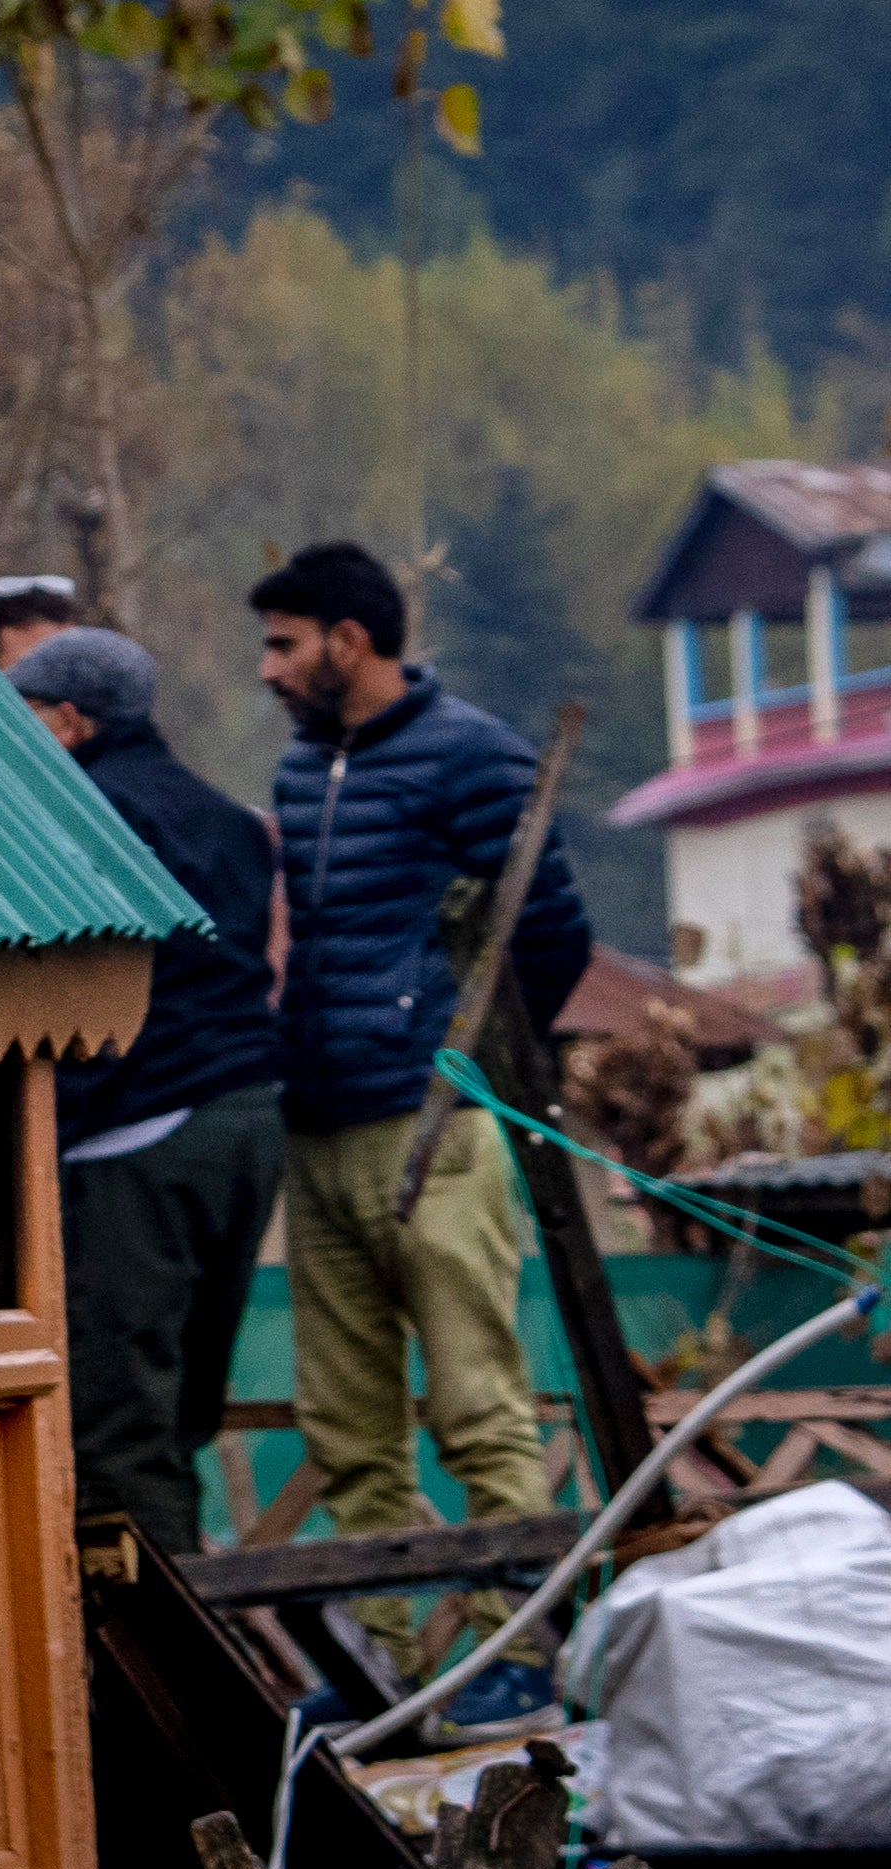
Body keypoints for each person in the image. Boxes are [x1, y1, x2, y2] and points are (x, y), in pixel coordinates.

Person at [252, 539, 597, 1525]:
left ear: (349, 640)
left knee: (475, 1402)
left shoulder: (472, 753)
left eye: (283, 644)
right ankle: (384, 1666)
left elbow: (550, 929)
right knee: (345, 1426)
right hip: (317, 1126)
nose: (266, 668)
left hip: (430, 1126)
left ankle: (517, 1657)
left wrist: (458, 1052)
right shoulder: (300, 767)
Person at [7, 626, 279, 1550]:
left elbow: (95, 1001)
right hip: (245, 1123)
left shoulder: (90, 814)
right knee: (183, 1402)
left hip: (139, 1137)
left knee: (117, 1418)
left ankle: (159, 1676)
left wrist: (42, 1134)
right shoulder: (225, 819)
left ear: (73, 721)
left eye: (26, 715)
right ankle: (206, 1628)